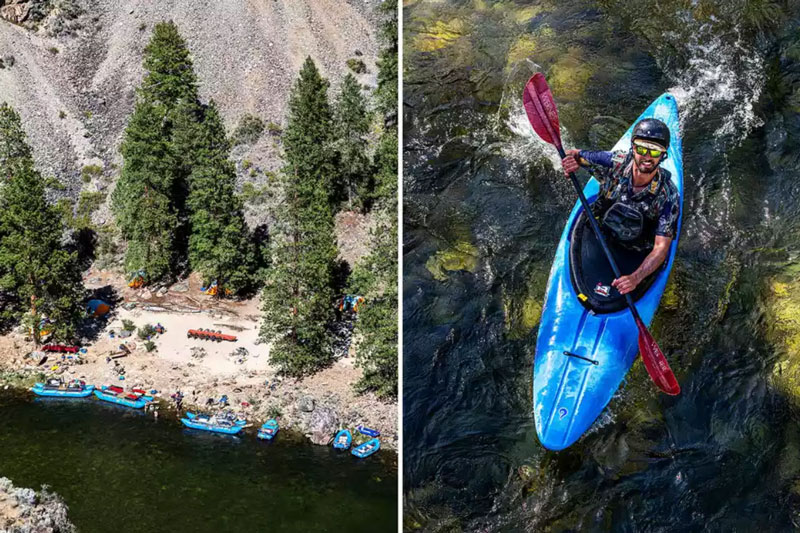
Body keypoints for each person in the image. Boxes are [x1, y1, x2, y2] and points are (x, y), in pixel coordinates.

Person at [561, 118, 679, 295]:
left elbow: (661, 248)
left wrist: (635, 278)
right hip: (601, 234)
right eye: (642, 149)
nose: (647, 157)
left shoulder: (668, 196)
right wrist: (571, 162)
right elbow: (574, 154)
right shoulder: (614, 162)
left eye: (654, 152)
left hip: (636, 250)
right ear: (633, 148)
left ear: (663, 155)